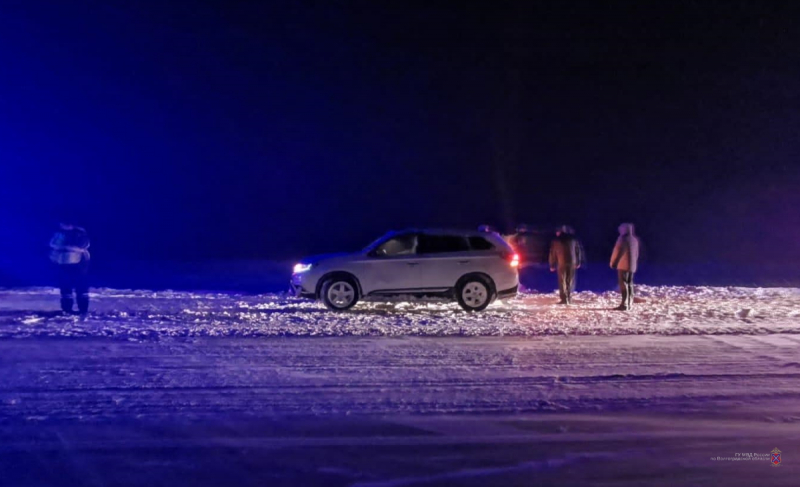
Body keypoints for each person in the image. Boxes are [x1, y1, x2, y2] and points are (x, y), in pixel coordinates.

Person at [49, 222, 91, 315]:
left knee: (81, 287)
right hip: (63, 263)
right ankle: (67, 309)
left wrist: (67, 248)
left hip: (79, 264)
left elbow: (83, 246)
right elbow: (53, 244)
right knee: (65, 288)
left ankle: (83, 309)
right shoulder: (60, 234)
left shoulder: (79, 233)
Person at [549, 225, 583, 304]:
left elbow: (552, 253)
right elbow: (578, 251)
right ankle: (569, 296)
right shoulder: (573, 239)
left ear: (559, 232)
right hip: (572, 262)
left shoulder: (556, 241)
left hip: (561, 263)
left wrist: (552, 264)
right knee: (570, 280)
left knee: (562, 280)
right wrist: (578, 261)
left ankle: (564, 299)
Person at [609, 223, 639, 311]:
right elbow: (636, 254)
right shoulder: (634, 240)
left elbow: (618, 251)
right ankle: (629, 302)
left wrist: (614, 262)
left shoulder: (623, 239)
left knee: (623, 284)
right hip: (632, 266)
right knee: (630, 284)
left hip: (623, 265)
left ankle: (624, 304)